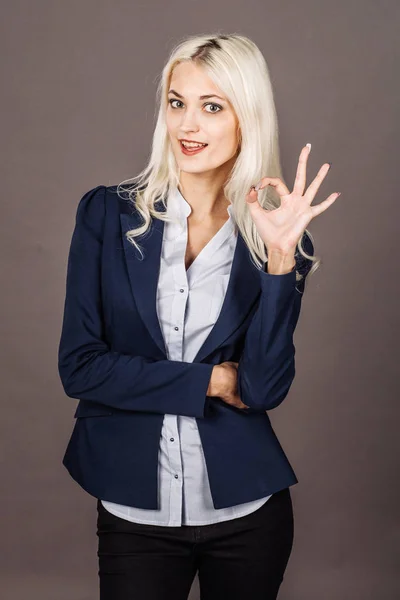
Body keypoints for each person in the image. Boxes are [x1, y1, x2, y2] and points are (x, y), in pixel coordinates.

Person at [58, 33, 340, 600]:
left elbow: (262, 388)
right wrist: (211, 379)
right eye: (176, 101)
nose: (188, 124)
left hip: (248, 510)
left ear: (247, 118)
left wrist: (282, 259)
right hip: (136, 510)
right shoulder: (106, 214)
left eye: (212, 107)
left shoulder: (277, 240)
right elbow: (81, 368)